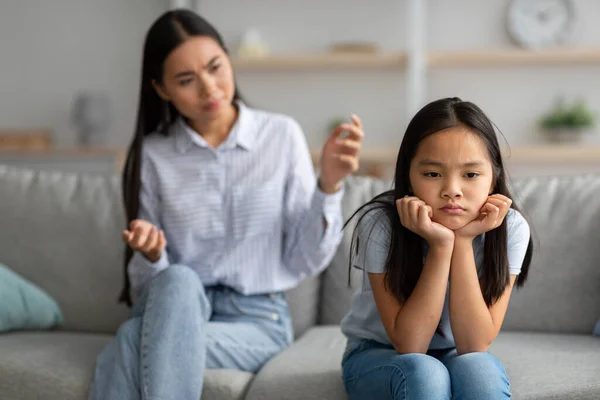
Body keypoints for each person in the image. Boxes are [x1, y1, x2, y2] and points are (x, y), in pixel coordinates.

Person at [88, 9, 363, 400]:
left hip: (256, 321)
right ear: (161, 89)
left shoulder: (280, 135)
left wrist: (329, 185)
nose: (209, 88)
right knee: (179, 279)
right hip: (177, 305)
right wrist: (151, 255)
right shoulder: (152, 155)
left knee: (133, 340)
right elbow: (149, 286)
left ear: (228, 59)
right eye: (186, 80)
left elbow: (305, 260)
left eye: (216, 67)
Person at [340, 97, 533, 400]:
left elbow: (474, 345)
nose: (452, 190)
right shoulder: (381, 224)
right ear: (409, 177)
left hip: (456, 352)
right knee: (425, 372)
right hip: (380, 353)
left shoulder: (511, 228)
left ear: (494, 177)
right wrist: (442, 245)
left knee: (480, 372)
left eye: (470, 174)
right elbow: (410, 345)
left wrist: (464, 241)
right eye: (432, 174)